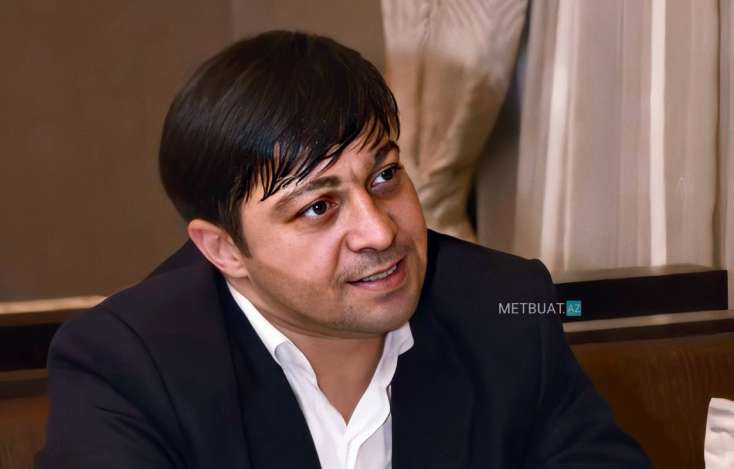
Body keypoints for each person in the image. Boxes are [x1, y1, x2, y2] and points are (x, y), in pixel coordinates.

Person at [41, 31, 649, 468]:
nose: (379, 232)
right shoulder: (129, 364)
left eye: (384, 176)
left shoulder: (505, 307)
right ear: (223, 249)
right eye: (319, 208)